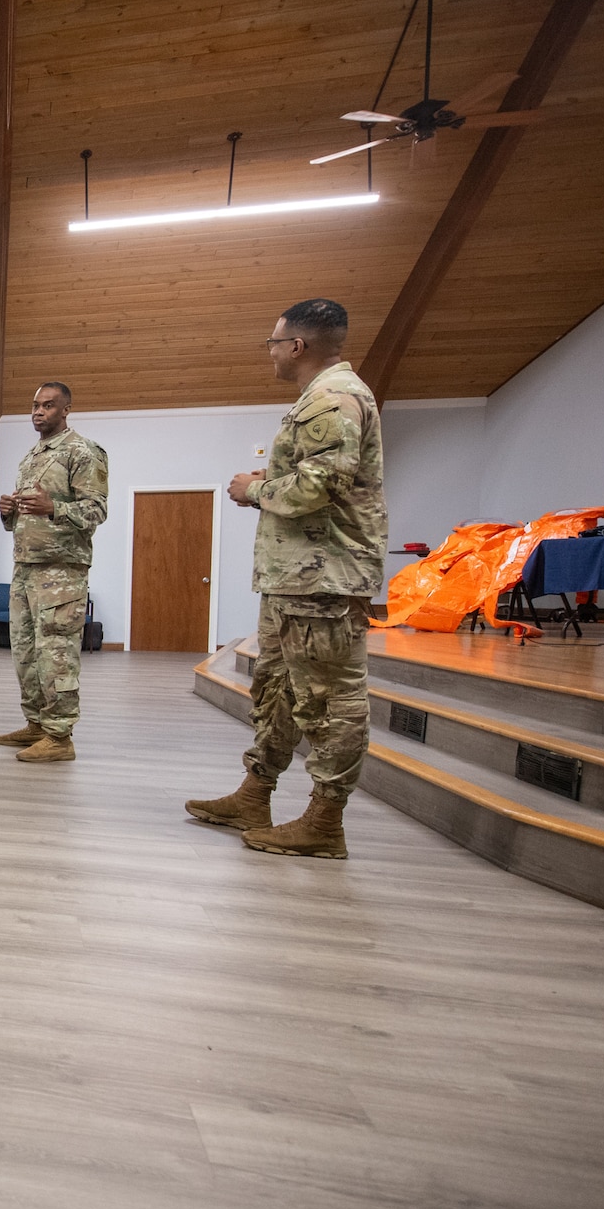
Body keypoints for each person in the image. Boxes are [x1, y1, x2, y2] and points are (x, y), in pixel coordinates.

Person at [187, 298, 386, 859]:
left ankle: (325, 822)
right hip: (295, 578)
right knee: (277, 691)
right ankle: (256, 793)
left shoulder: (332, 399)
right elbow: (312, 478)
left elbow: (317, 488)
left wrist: (253, 489)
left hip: (324, 579)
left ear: (296, 346)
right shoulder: (316, 400)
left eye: (273, 342)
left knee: (329, 700)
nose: (270, 352)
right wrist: (270, 478)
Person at [0, 382, 108, 763]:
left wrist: (53, 506)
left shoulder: (83, 452)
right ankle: (37, 723)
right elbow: (28, 515)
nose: (38, 412)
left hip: (62, 571)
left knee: (56, 653)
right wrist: (9, 511)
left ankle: (60, 736)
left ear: (66, 410)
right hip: (26, 567)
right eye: (35, 406)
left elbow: (96, 511)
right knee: (25, 653)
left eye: (47, 406)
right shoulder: (31, 457)